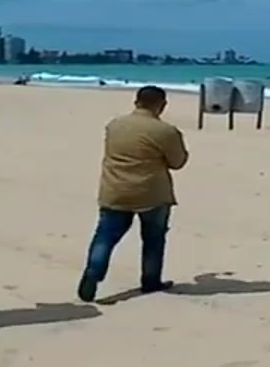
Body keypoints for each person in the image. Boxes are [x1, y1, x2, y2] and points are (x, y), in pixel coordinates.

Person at [78, 85, 190, 303]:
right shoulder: (166, 131)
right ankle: (150, 280)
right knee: (153, 239)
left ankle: (93, 272)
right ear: (162, 105)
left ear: (136, 102)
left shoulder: (115, 125)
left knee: (105, 236)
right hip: (152, 192)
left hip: (115, 189)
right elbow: (177, 162)